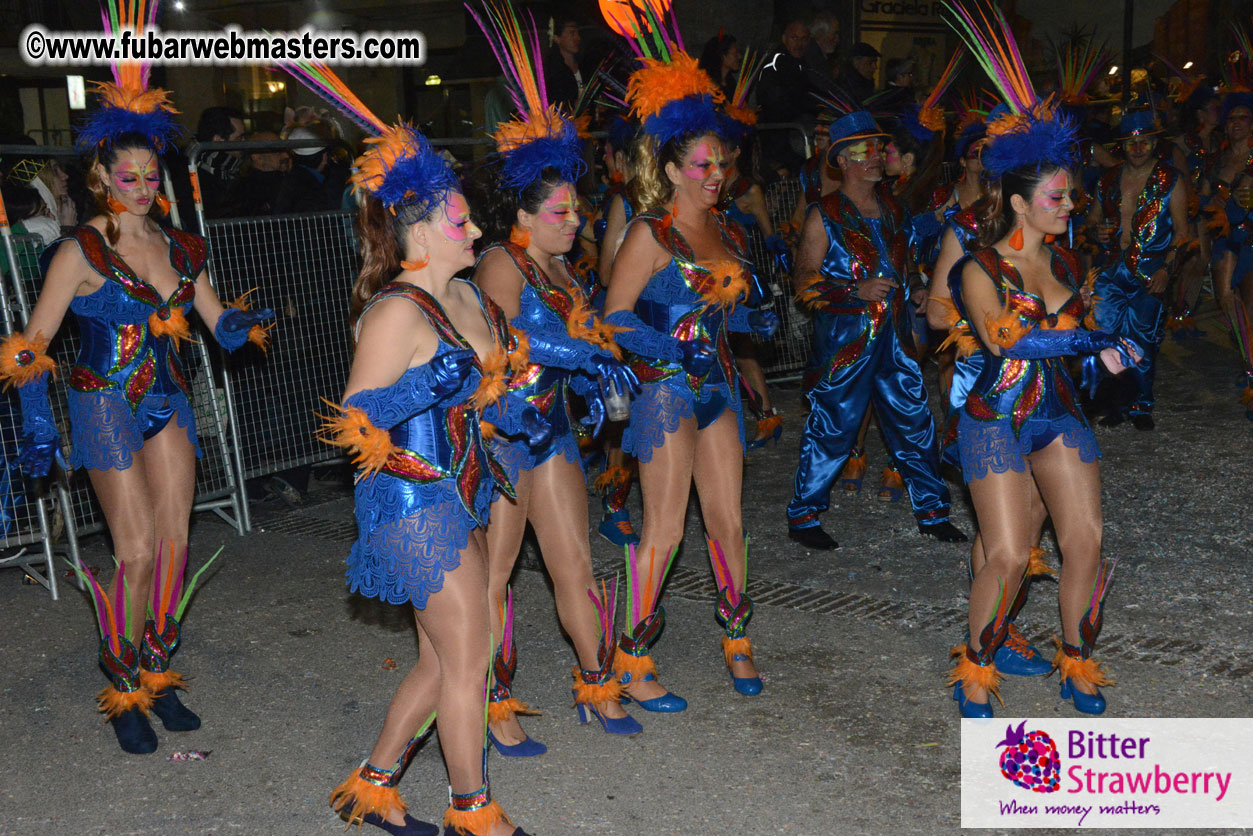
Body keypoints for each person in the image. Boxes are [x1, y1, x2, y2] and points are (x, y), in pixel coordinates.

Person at [1, 65, 273, 754]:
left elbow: (213, 320)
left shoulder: (181, 246)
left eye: (153, 173)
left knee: (178, 542)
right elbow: (31, 346)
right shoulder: (81, 248)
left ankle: (156, 666)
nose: (145, 184)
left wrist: (245, 326)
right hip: (102, 403)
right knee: (137, 550)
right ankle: (121, 681)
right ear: (101, 177)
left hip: (167, 398)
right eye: (131, 175)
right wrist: (36, 421)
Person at [320, 111, 537, 835]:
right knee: (469, 659)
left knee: (441, 660)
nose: (475, 235)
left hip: (463, 491)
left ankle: (373, 787)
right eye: (460, 225)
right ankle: (470, 811)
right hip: (408, 497)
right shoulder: (395, 311)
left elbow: (497, 376)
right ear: (417, 230)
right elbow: (355, 418)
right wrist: (419, 387)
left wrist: (556, 374)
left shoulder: (468, 294)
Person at [941, 0, 1135, 719]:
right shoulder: (977, 266)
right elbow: (1005, 340)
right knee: (1006, 552)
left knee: (1085, 539)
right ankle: (977, 665)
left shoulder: (1070, 259)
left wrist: (1115, 350)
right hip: (993, 418)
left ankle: (1076, 661)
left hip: (1059, 413)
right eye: (1057, 197)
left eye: (1072, 196)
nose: (1070, 206)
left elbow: (1084, 339)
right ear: (1020, 203)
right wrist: (1089, 340)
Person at [466, 0, 643, 755]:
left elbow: (587, 330)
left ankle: (595, 684)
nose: (577, 222)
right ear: (528, 212)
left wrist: (609, 350)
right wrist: (574, 351)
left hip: (556, 433)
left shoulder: (561, 266)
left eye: (576, 211)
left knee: (573, 560)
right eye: (564, 212)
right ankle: (489, 698)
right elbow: (502, 344)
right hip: (507, 433)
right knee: (496, 573)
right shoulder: (500, 263)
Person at [602, 5, 777, 705]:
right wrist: (665, 354)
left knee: (728, 520)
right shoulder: (649, 230)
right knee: (666, 528)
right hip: (664, 392)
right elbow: (613, 318)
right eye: (701, 164)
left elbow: (736, 311)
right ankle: (632, 655)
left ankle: (737, 638)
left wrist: (755, 307)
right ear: (670, 167)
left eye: (722, 163)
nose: (715, 174)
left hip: (719, 387)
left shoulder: (729, 230)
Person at [787, 105, 965, 550]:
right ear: (842, 159)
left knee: (915, 420)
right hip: (847, 343)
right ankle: (804, 514)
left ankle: (932, 511)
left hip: (897, 339)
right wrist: (853, 290)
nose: (876, 156)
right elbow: (805, 280)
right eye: (864, 150)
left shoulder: (895, 210)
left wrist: (919, 288)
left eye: (878, 148)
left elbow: (907, 269)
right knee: (834, 426)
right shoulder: (823, 214)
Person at [1087, 109, 1186, 430]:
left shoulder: (1170, 180)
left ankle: (1141, 404)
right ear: (1122, 146)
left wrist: (1166, 270)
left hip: (1150, 273)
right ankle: (1114, 403)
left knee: (1142, 340)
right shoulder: (1107, 180)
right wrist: (1095, 232)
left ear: (1155, 142)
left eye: (1145, 141)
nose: (1139, 148)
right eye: (1132, 143)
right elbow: (1091, 221)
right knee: (1105, 338)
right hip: (1111, 271)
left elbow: (1183, 233)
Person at [757, 21, 819, 174]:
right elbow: (777, 106)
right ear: (784, 38)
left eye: (804, 39)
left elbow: (811, 93)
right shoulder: (776, 64)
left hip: (792, 134)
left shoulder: (802, 64)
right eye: (794, 38)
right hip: (780, 138)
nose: (800, 44)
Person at [194, 105, 245, 217]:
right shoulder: (193, 176)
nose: (244, 143)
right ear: (218, 140)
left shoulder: (234, 171)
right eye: (239, 138)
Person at [543, 12, 584, 112]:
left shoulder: (584, 64)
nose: (577, 38)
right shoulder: (554, 71)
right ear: (557, 38)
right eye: (572, 33)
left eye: (578, 33)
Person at [840, 42, 880, 106]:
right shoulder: (848, 87)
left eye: (875, 62)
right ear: (856, 63)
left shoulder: (864, 84)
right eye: (870, 62)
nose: (875, 67)